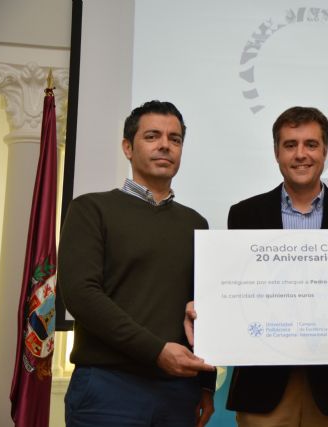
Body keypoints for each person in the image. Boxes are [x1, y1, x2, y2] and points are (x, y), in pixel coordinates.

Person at [188, 106, 328, 427]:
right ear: (277, 152)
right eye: (290, 145)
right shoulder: (244, 215)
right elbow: (235, 295)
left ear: (325, 151)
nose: (301, 154)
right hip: (262, 388)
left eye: (311, 144)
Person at [58, 100, 216, 427]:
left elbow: (203, 307)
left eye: (175, 139)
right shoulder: (90, 209)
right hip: (108, 388)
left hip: (179, 392)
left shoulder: (196, 223)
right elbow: (81, 295)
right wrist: (156, 351)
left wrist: (205, 384)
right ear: (128, 147)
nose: (165, 145)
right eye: (152, 136)